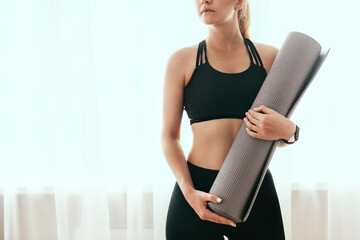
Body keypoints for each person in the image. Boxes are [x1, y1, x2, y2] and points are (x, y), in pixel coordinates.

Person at [161, 0, 298, 239]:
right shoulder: (181, 61)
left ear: (239, 2)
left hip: (254, 191)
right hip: (196, 191)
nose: (204, 0)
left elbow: (278, 137)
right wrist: (189, 193)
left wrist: (290, 130)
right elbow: (169, 137)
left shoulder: (270, 59)